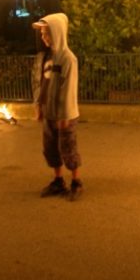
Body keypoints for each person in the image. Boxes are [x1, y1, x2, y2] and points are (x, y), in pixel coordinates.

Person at [31, 13, 83, 201]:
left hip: (65, 114)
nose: (44, 37)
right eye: (43, 33)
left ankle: (76, 182)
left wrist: (64, 116)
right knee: (50, 148)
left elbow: (68, 89)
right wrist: (38, 105)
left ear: (58, 32)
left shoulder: (68, 59)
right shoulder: (46, 56)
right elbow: (40, 82)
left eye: (47, 33)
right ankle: (58, 180)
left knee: (67, 148)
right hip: (48, 112)